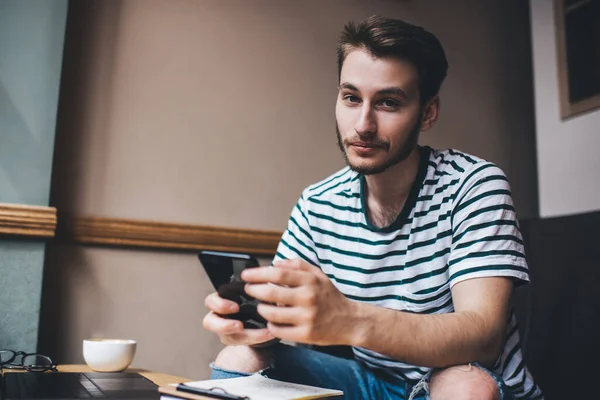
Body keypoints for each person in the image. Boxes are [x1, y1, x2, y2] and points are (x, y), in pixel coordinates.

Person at [203, 15, 543, 400]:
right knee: (240, 356)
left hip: (465, 384)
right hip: (369, 384)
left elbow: (483, 335)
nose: (363, 124)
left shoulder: (473, 184)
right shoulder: (318, 203)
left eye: (388, 102)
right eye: (351, 98)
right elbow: (283, 318)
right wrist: (251, 324)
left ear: (427, 113)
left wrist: (349, 320)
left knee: (466, 385)